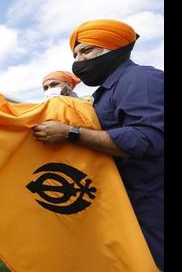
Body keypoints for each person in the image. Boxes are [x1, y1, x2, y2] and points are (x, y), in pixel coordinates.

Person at [32, 19, 163, 270]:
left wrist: (70, 133)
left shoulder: (140, 79)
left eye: (87, 51)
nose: (79, 60)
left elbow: (145, 139)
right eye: (75, 54)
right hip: (124, 203)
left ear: (114, 49)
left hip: (151, 206)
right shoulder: (105, 93)